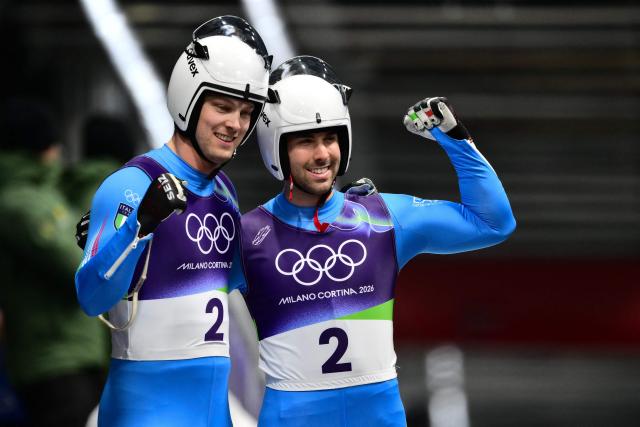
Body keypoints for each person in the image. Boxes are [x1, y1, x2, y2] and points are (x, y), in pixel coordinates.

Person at [233, 56, 516, 426]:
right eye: (305, 141)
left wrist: (454, 139)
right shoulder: (244, 235)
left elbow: (493, 222)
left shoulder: (382, 218)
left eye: (330, 138)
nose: (321, 154)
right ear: (276, 148)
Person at [74, 16, 271, 426]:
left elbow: (238, 285)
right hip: (144, 412)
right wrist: (138, 227)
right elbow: (91, 297)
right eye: (222, 106)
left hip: (217, 412)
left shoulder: (224, 192)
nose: (235, 124)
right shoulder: (131, 183)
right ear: (190, 99)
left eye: (247, 112)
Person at [0, 98, 107, 427]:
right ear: (39, 147)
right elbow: (79, 265)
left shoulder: (44, 196)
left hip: (71, 354)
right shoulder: (22, 204)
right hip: (55, 360)